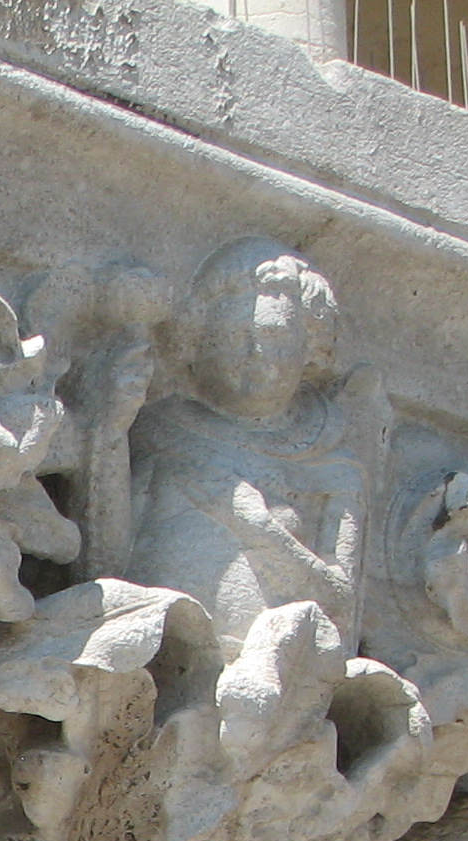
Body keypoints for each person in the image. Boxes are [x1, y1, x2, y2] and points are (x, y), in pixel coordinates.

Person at [129, 238, 389, 650]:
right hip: (150, 650)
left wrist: (258, 528)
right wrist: (105, 427)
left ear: (309, 349)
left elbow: (339, 601)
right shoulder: (159, 428)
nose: (255, 354)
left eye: (276, 338)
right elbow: (106, 549)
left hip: (268, 666)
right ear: (197, 340)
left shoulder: (331, 465)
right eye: (234, 336)